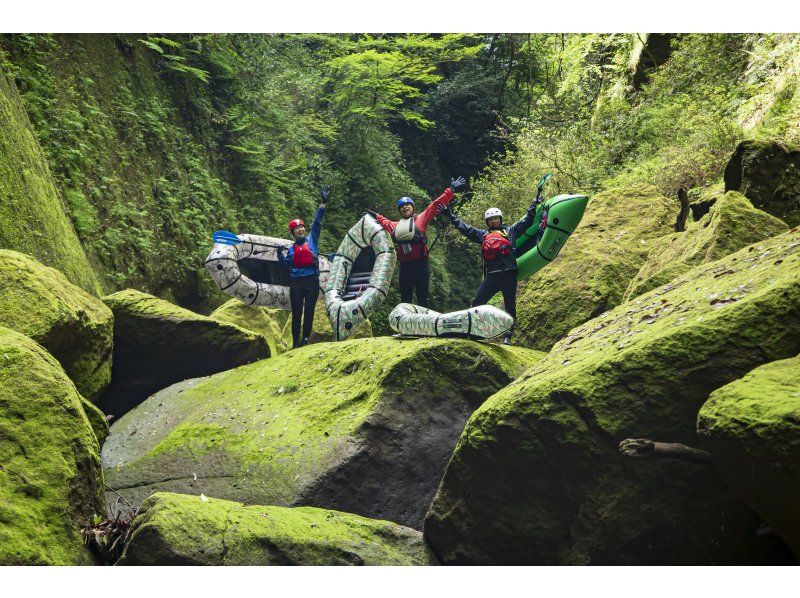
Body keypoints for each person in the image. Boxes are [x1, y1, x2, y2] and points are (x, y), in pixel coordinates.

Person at [437, 195, 541, 345]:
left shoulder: (511, 231)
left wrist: (533, 205)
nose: (494, 221)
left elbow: (526, 221)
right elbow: (465, 228)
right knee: (477, 302)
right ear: (487, 222)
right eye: (491, 219)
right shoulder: (482, 235)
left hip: (509, 275)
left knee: (510, 306)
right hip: (492, 276)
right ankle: (474, 331)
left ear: (500, 219)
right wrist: (450, 215)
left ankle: (508, 335)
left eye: (496, 218)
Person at [366, 176, 465, 307]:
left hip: (421, 265)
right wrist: (375, 216)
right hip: (405, 267)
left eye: (407, 205)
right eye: (401, 206)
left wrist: (451, 190)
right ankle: (405, 324)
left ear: (412, 207)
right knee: (405, 299)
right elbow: (385, 222)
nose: (404, 207)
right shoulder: (395, 226)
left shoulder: (421, 219)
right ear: (399, 211)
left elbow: (435, 205)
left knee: (422, 299)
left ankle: (424, 324)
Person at [281, 185, 328, 349]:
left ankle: (305, 340)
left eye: (301, 227)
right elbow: (286, 265)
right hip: (296, 283)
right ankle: (295, 343)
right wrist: (281, 256)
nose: (300, 230)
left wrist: (323, 203)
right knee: (296, 314)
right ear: (292, 233)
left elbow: (317, 221)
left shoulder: (312, 239)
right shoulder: (291, 249)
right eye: (296, 229)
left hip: (312, 281)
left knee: (309, 313)